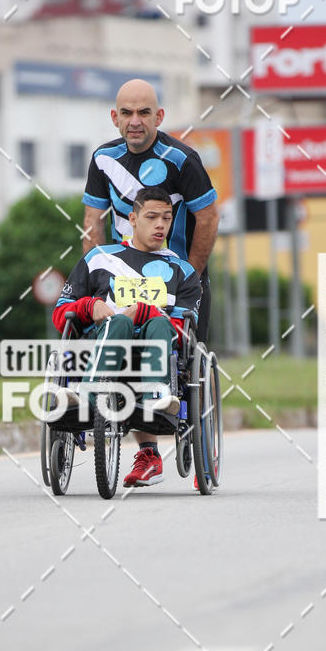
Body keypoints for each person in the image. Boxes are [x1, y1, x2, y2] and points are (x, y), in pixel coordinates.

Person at [81, 77, 219, 476]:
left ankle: (182, 426)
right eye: (126, 113)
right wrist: (96, 273)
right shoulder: (103, 159)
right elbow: (93, 220)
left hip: (177, 277)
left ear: (159, 116)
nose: (135, 121)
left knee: (179, 357)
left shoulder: (182, 160)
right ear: (114, 118)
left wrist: (189, 273)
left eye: (144, 113)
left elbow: (207, 218)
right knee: (119, 342)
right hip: (123, 275)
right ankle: (147, 452)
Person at [52, 187, 201, 487]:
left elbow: (185, 331)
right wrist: (90, 305)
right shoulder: (99, 258)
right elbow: (61, 314)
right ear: (132, 218)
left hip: (154, 347)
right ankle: (86, 397)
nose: (160, 225)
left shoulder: (182, 271)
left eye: (167, 218)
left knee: (160, 324)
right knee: (118, 323)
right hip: (103, 338)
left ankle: (155, 397)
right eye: (151, 217)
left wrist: (146, 313)